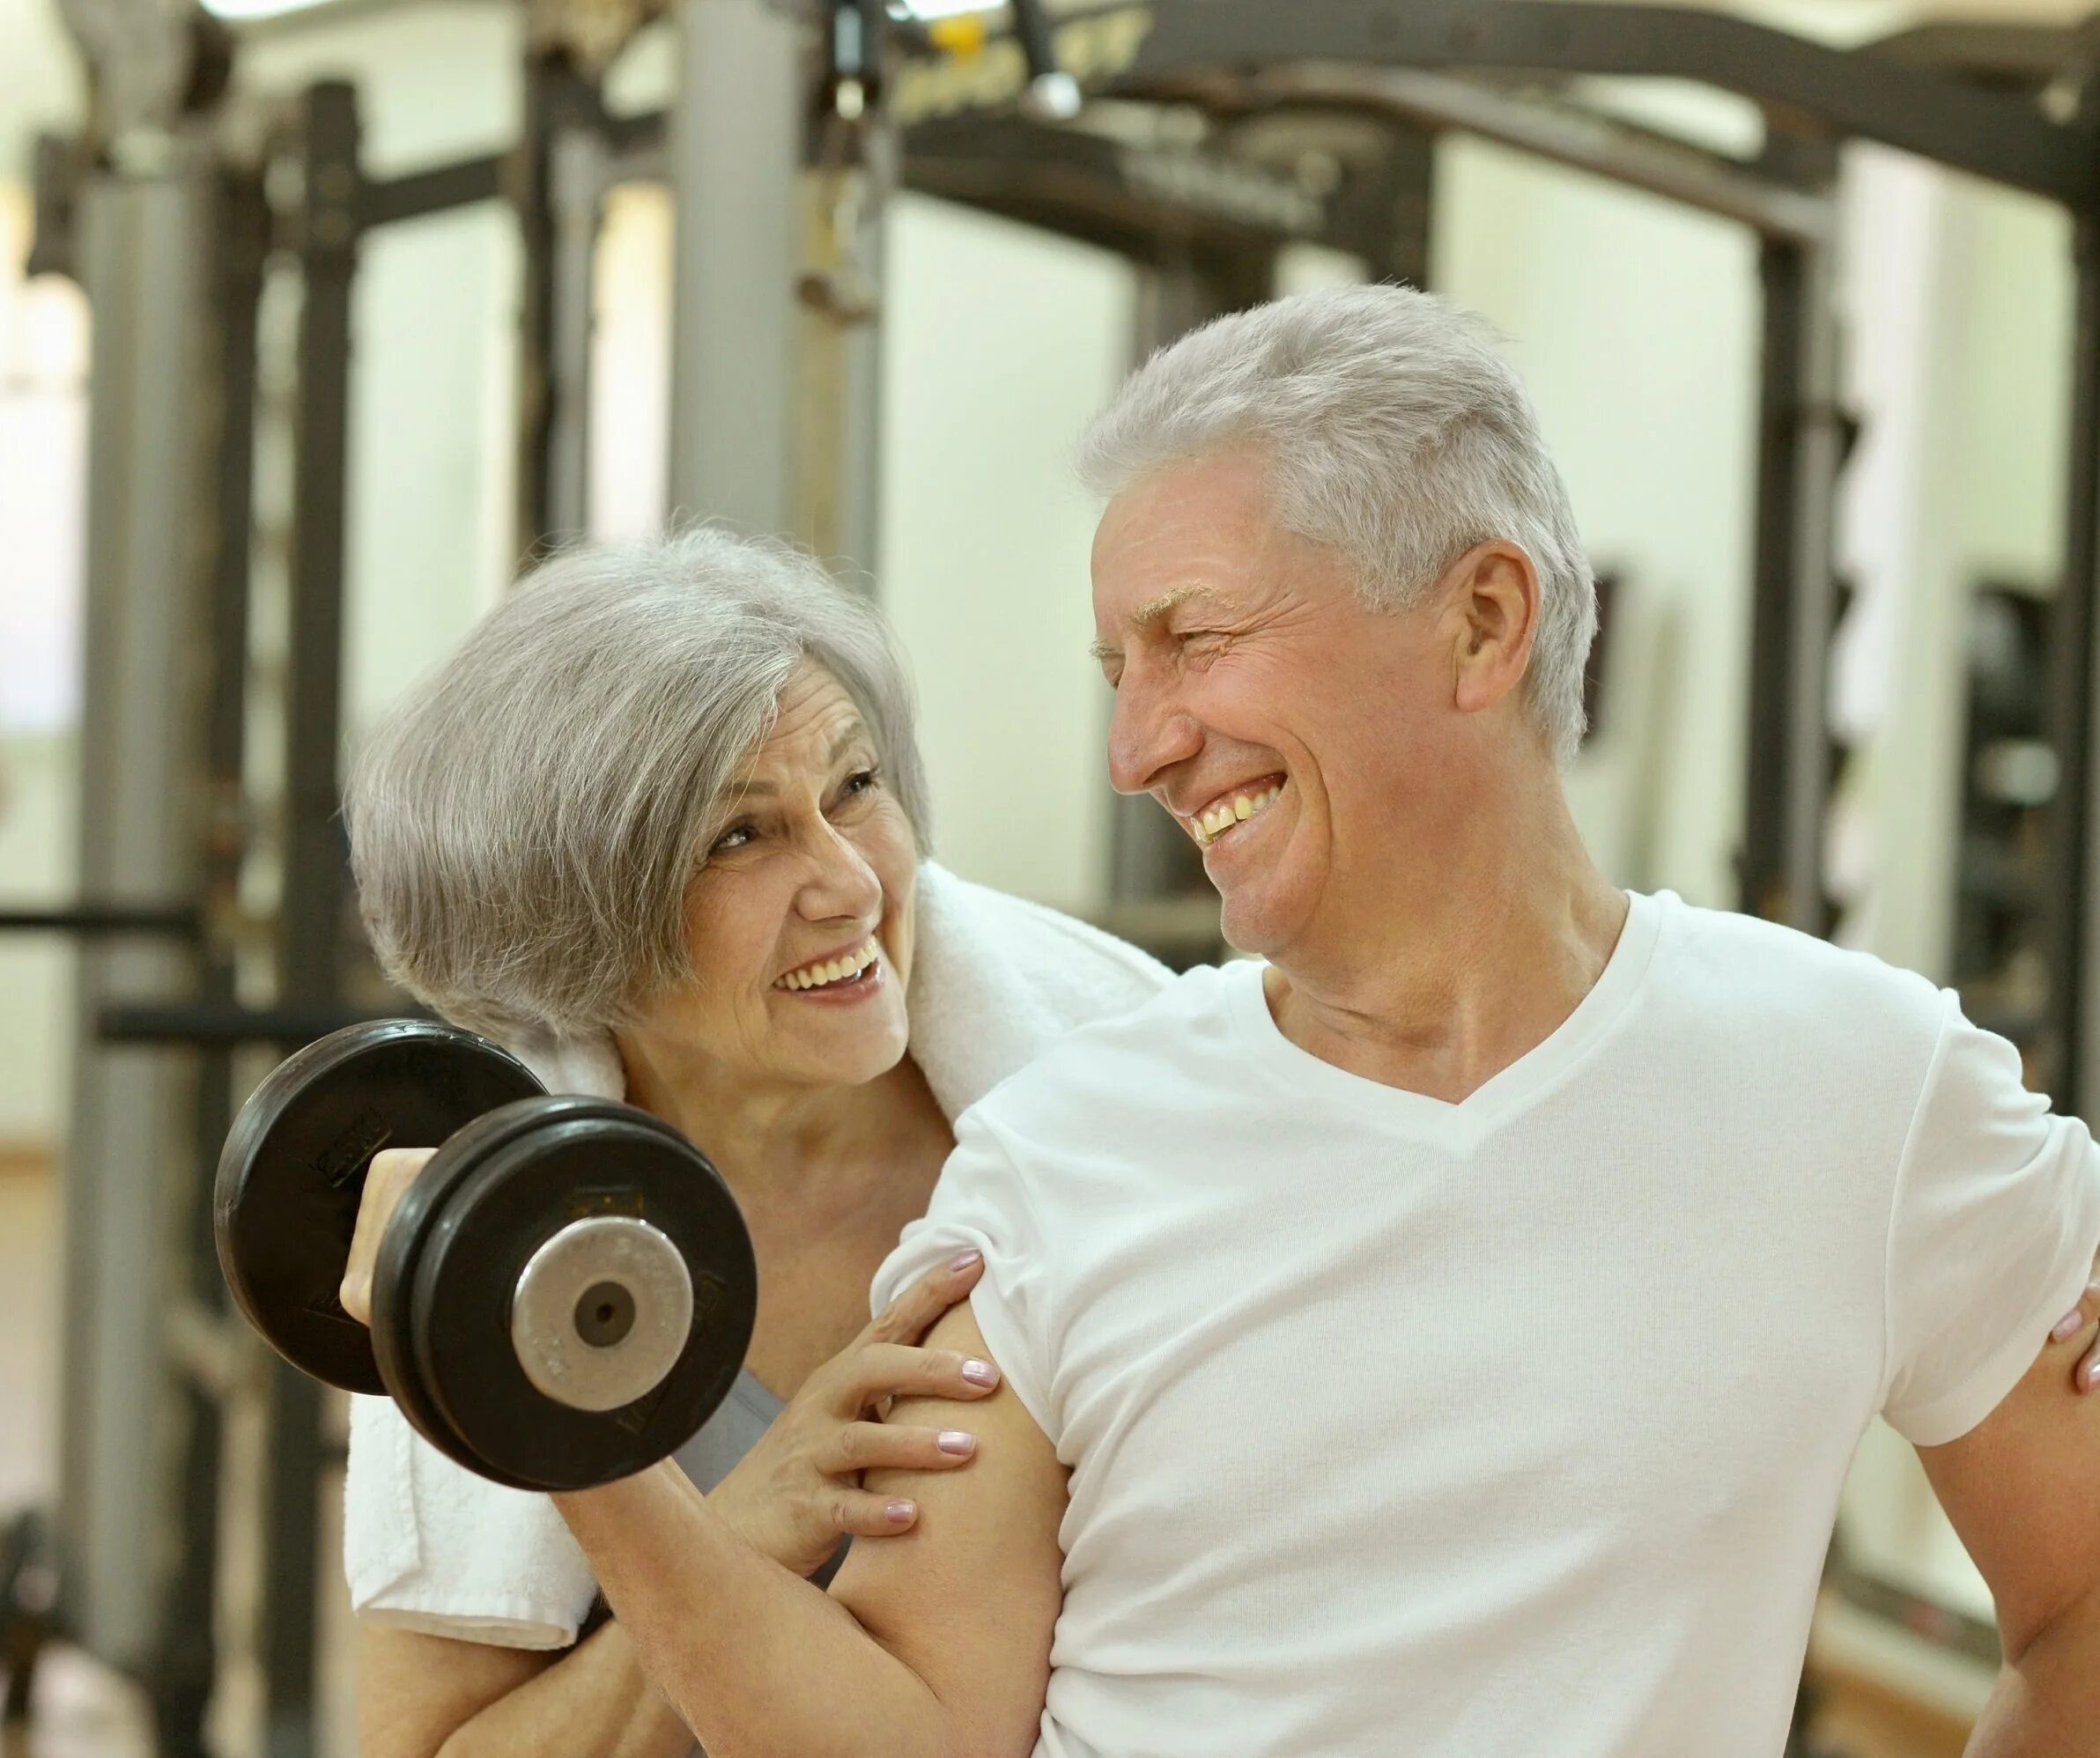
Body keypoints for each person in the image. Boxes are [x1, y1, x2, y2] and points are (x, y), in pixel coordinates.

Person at [347, 286, 2100, 1754]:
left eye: (1191, 641)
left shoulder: (1867, 1085)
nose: (1141, 748)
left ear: (1483, 618)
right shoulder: (1057, 1150)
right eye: (1120, 672)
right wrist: (581, 1443)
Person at [331, 530, 1173, 1756]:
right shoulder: (494, 1219)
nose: (850, 884)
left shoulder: (1128, 1084)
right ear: (577, 922)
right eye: (741, 837)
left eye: (855, 787)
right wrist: (740, 1531)